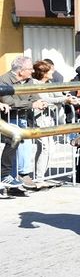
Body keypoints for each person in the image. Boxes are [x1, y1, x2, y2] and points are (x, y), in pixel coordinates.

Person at [0, 56, 47, 195]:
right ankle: (9, 179)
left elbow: (35, 96)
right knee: (12, 146)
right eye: (30, 69)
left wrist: (40, 102)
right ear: (20, 71)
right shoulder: (4, 80)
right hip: (10, 119)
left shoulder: (29, 81)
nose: (33, 71)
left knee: (23, 148)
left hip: (25, 118)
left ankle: (18, 178)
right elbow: (9, 101)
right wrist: (32, 104)